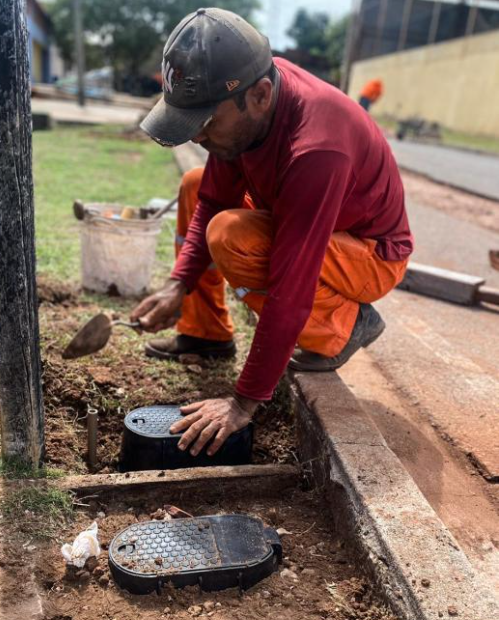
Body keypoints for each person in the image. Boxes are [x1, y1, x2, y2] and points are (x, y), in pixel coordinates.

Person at [131, 8, 413, 459]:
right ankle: (206, 332)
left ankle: (340, 328)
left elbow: (292, 282)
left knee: (231, 235)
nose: (197, 139)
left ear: (261, 96)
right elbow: (211, 199)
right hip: (301, 222)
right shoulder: (242, 99)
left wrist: (244, 402)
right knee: (193, 186)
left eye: (205, 124)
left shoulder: (317, 147)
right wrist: (178, 283)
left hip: (369, 253)